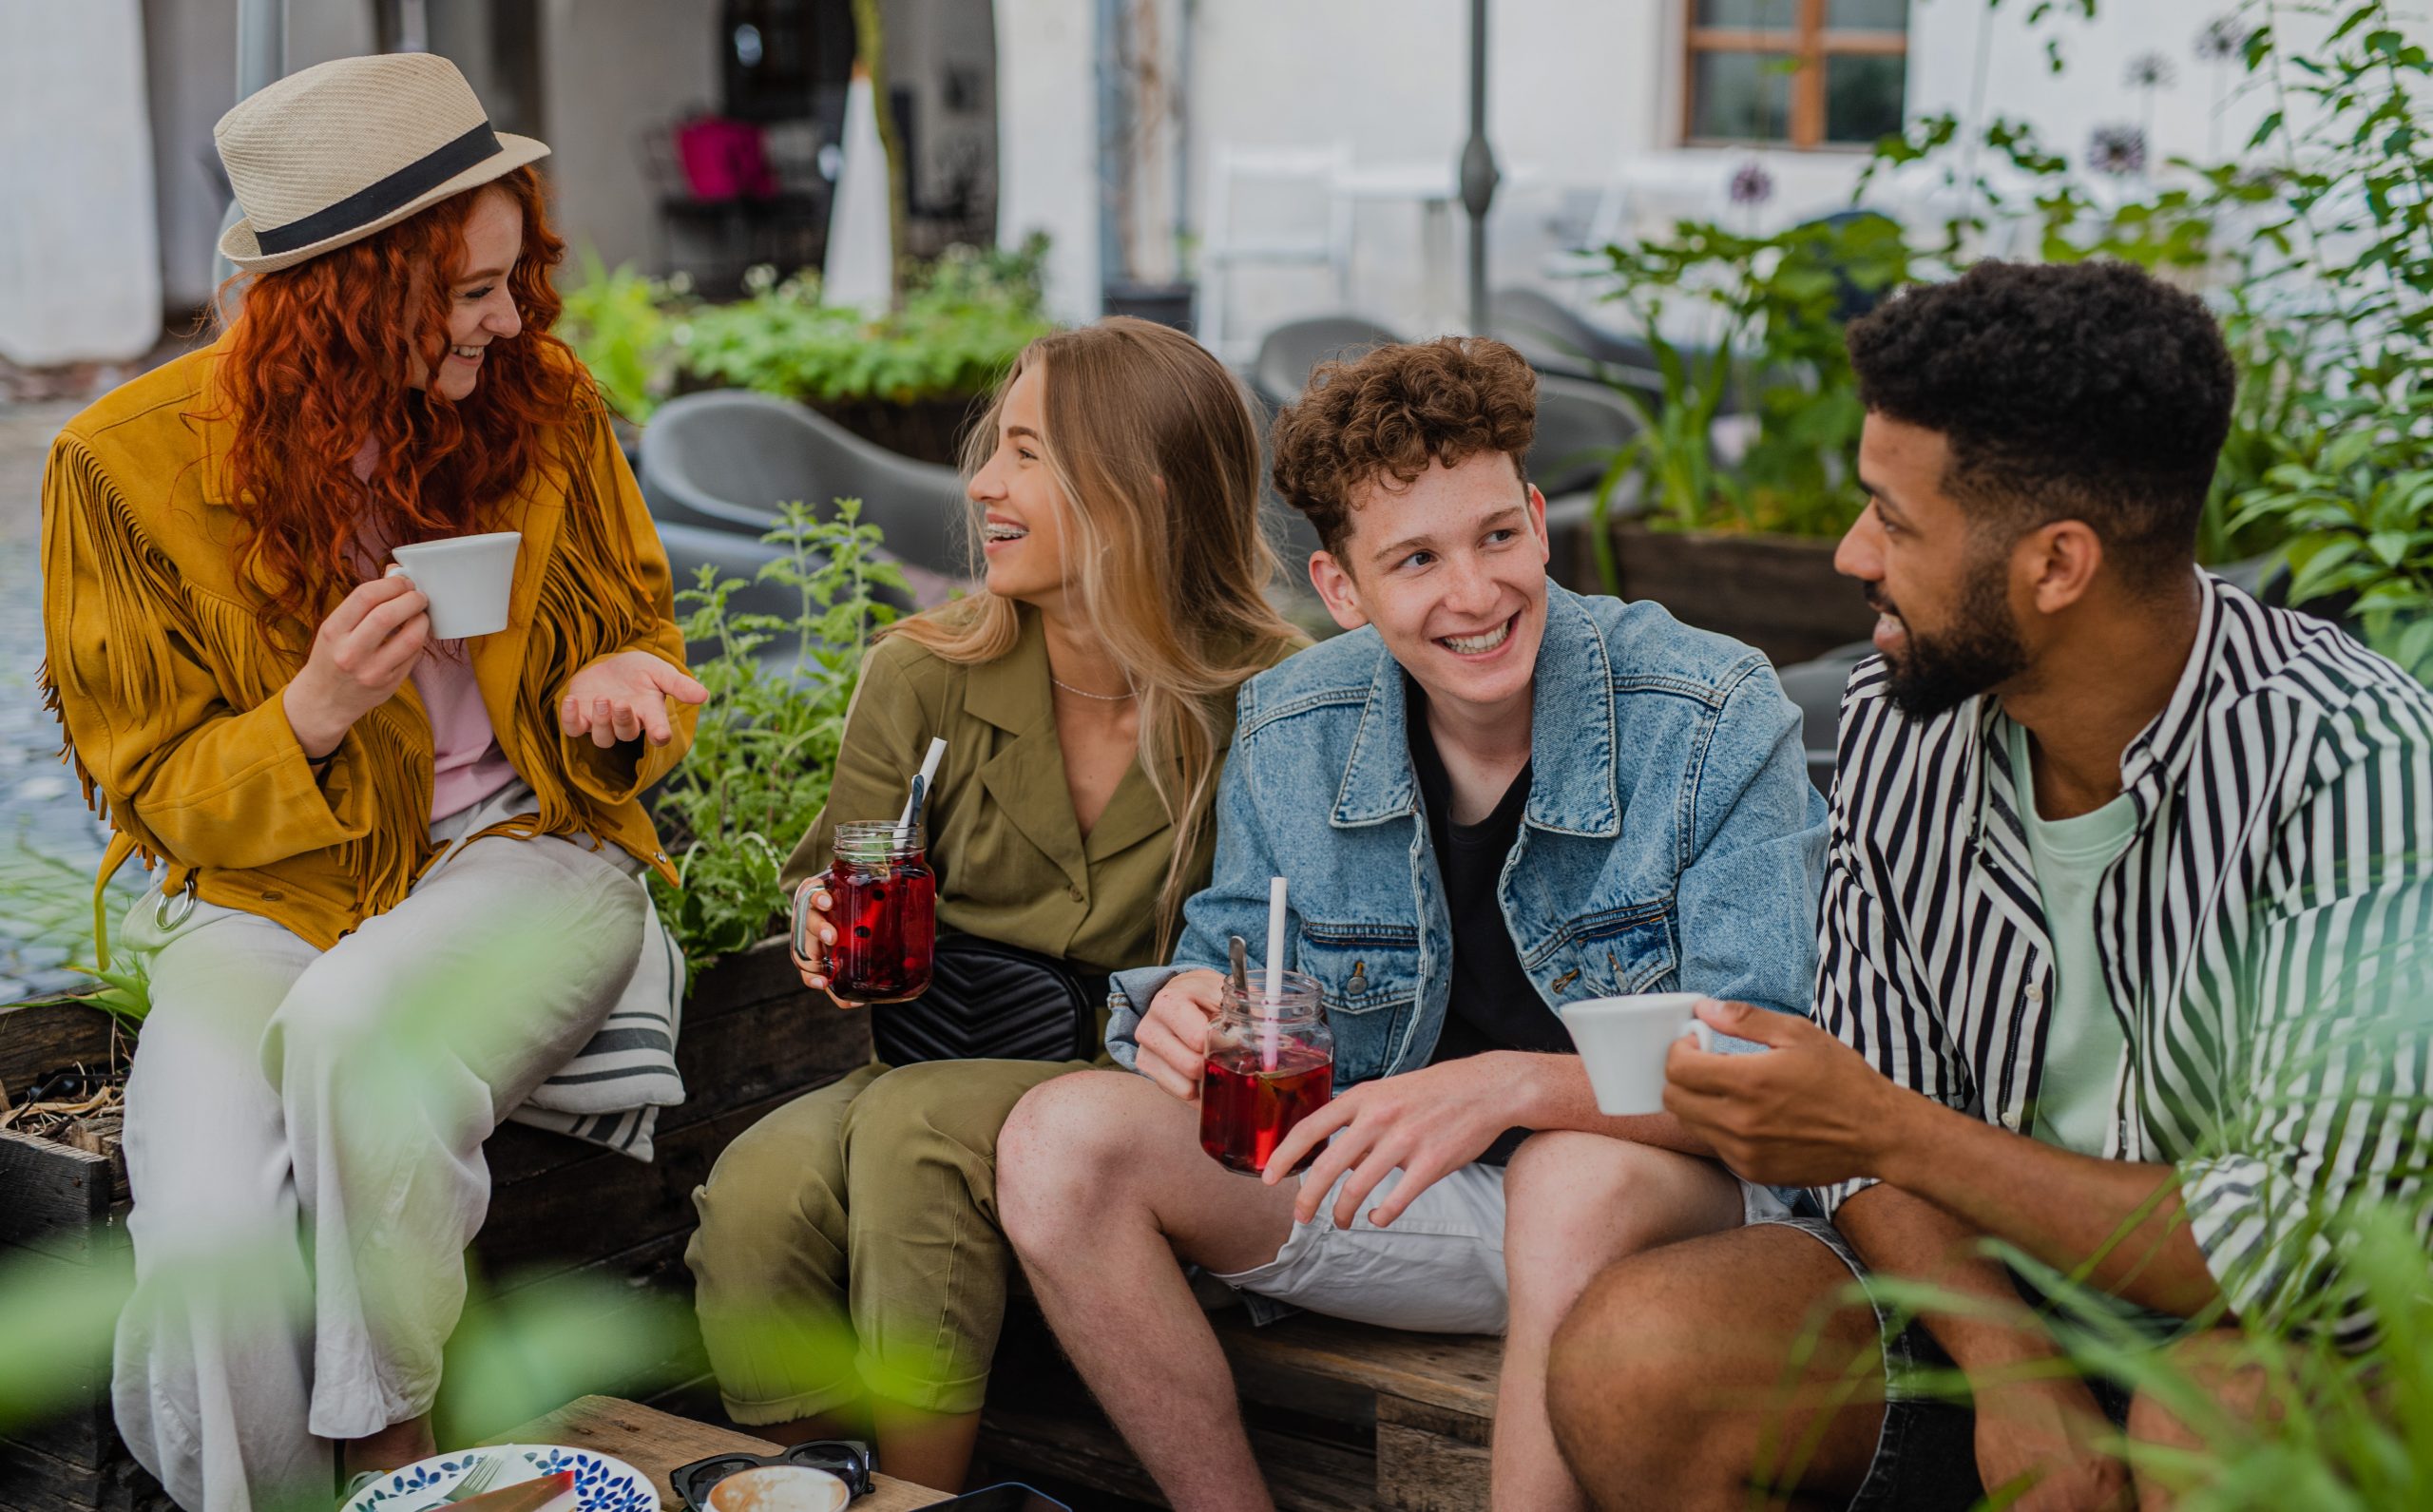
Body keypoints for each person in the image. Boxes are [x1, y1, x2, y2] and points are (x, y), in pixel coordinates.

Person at [1546, 260, 2433, 1511]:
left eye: (1894, 520)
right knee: (1644, 1359)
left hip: (2277, 1332)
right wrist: (2013, 1364)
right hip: (1987, 1296)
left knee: (2229, 1423)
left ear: (2058, 563)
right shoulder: (1905, 717)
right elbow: (1869, 1123)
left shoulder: (2353, 758)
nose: (1854, 552)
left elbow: (2300, 1247)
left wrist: (1878, 1121)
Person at [994, 336, 1829, 1510]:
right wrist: (1183, 1012)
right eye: (1416, 558)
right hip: (1406, 1205)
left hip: (1664, 1217)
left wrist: (1512, 1086)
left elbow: (1763, 1069)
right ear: (1341, 589)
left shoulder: (1710, 708)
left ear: (1540, 521)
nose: (1476, 593)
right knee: (1055, 1140)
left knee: (1567, 1175)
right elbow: (1231, 959)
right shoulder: (1292, 722)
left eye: (1496, 536)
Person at [39, 55, 707, 1512]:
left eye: (514, 274)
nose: (511, 316)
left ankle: (391, 1453)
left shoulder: (541, 407)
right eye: (471, 289)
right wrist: (315, 714)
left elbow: (642, 644)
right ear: (349, 294)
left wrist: (622, 704)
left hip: (522, 848)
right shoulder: (122, 468)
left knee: (355, 1028)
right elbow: (152, 789)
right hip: (270, 889)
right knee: (207, 1225)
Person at [683, 316, 1305, 1492]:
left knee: (913, 1138)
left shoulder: (1272, 695)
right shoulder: (922, 674)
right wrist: (825, 919)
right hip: (938, 1054)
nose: (982, 484)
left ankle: (921, 1494)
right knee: (755, 1192)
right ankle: (806, 1482)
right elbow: (837, 869)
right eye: (995, 449)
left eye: (1028, 454)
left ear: (1142, 492)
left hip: (1143, 1111)